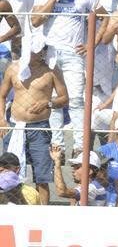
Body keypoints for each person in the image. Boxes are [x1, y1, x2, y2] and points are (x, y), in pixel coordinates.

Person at [31, 0, 102, 155]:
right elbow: (35, 21)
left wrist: (91, 44)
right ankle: (57, 145)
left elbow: (105, 18)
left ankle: (80, 146)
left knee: (76, 99)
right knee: (54, 100)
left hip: (74, 53)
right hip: (50, 53)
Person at [0, 31, 68, 204]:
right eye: (35, 50)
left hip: (40, 127)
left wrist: (48, 103)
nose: (39, 53)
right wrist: (2, 119)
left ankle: (43, 213)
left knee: (42, 174)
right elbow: (2, 95)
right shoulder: (13, 69)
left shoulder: (51, 70)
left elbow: (64, 98)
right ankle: (10, 206)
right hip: (15, 126)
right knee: (8, 173)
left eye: (42, 50)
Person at [0, 0, 21, 83]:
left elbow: (17, 28)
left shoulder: (2, 4)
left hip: (2, 52)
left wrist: (1, 39)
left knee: (6, 80)